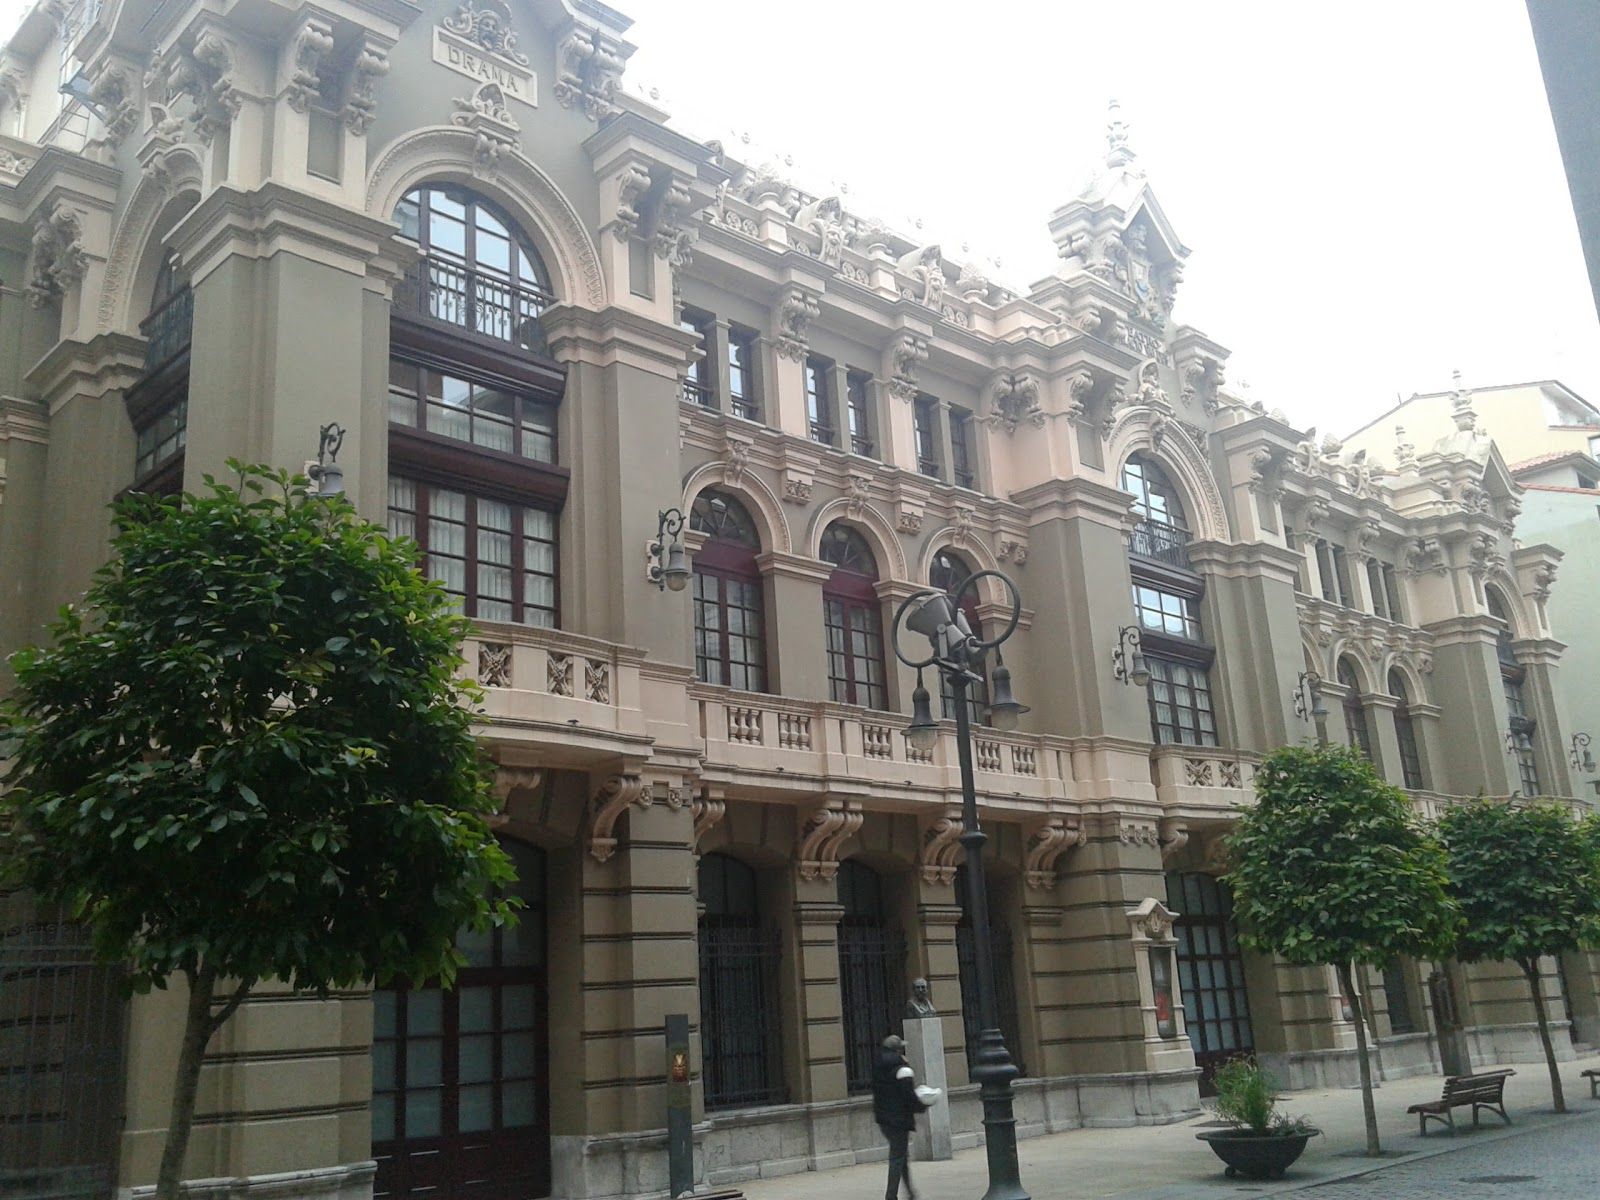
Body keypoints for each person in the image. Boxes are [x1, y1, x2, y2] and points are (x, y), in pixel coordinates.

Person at [872, 1034, 931, 1200]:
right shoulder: (902, 1069)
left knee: (901, 1156)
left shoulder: (878, 1066)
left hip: (884, 1118)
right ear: (898, 1050)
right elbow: (909, 1096)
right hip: (899, 1119)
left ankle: (910, 1192)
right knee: (898, 1157)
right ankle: (891, 1195)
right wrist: (922, 1106)